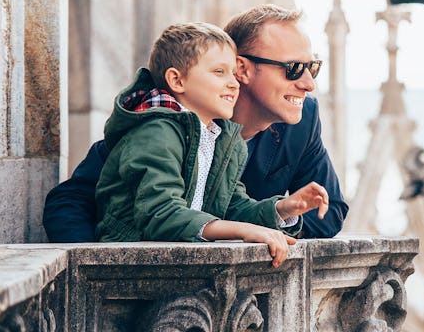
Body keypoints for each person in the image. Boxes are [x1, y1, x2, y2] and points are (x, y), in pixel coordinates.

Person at [44, 4, 348, 242]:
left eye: (313, 67)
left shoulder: (302, 119)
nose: (309, 83)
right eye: (294, 68)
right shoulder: (159, 124)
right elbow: (69, 201)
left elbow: (330, 212)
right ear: (242, 68)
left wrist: (282, 213)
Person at [94, 22, 329, 268]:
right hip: (131, 266)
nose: (234, 83)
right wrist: (244, 231)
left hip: (181, 262)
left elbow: (232, 205)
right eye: (219, 72)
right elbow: (160, 213)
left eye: (232, 73)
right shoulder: (155, 130)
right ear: (177, 80)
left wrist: (282, 209)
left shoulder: (222, 137)